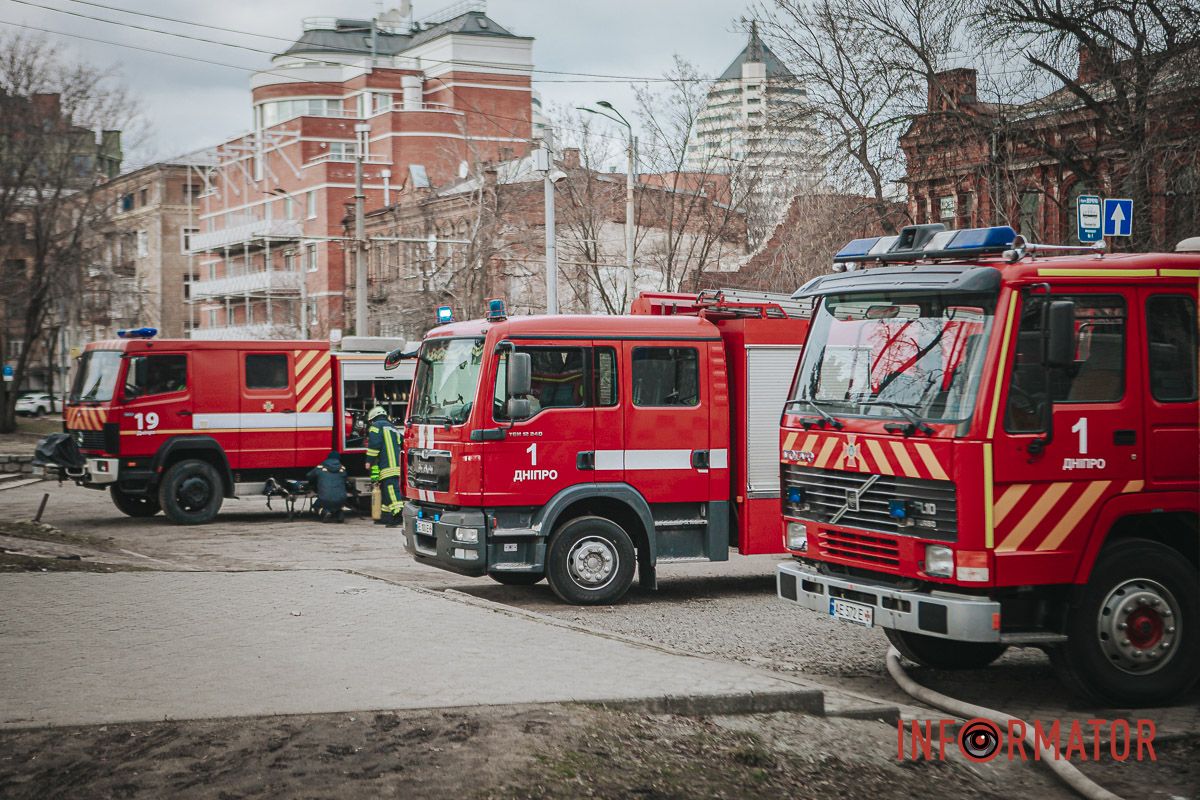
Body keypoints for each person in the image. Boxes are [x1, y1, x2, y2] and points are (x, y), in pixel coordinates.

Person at [365, 406, 403, 527]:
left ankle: (398, 515)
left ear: (372, 419)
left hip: (388, 466)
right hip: (396, 465)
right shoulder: (393, 428)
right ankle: (386, 516)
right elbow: (402, 443)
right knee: (386, 493)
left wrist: (368, 461)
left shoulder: (376, 427)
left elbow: (374, 445)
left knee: (391, 490)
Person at [306, 451, 348, 523]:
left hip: (324, 498)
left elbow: (309, 476)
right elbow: (345, 479)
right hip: (342, 499)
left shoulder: (320, 467)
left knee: (316, 506)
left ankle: (325, 512)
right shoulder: (342, 469)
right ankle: (340, 514)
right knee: (337, 505)